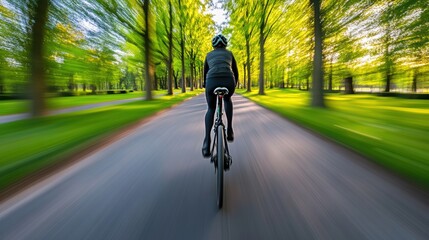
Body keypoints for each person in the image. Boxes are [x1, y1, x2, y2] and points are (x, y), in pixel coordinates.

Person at [202, 34, 238, 158]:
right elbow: (236, 71)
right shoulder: (229, 53)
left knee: (211, 109)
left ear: (214, 45)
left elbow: (205, 73)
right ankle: (230, 130)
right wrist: (234, 84)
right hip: (229, 81)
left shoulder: (208, 55)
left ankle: (207, 142)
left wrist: (204, 84)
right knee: (228, 99)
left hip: (212, 82)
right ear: (225, 44)